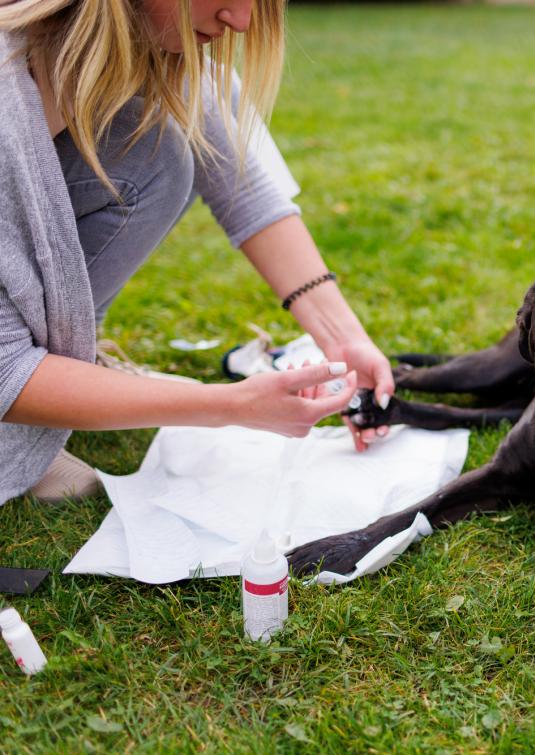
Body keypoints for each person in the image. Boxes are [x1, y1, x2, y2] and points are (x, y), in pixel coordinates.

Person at [0, 0, 396, 505]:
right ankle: (19, 436)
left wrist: (344, 340)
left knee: (163, 150)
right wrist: (231, 404)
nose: (243, 20)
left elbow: (243, 185)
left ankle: (69, 376)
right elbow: (3, 369)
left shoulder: (154, 50)